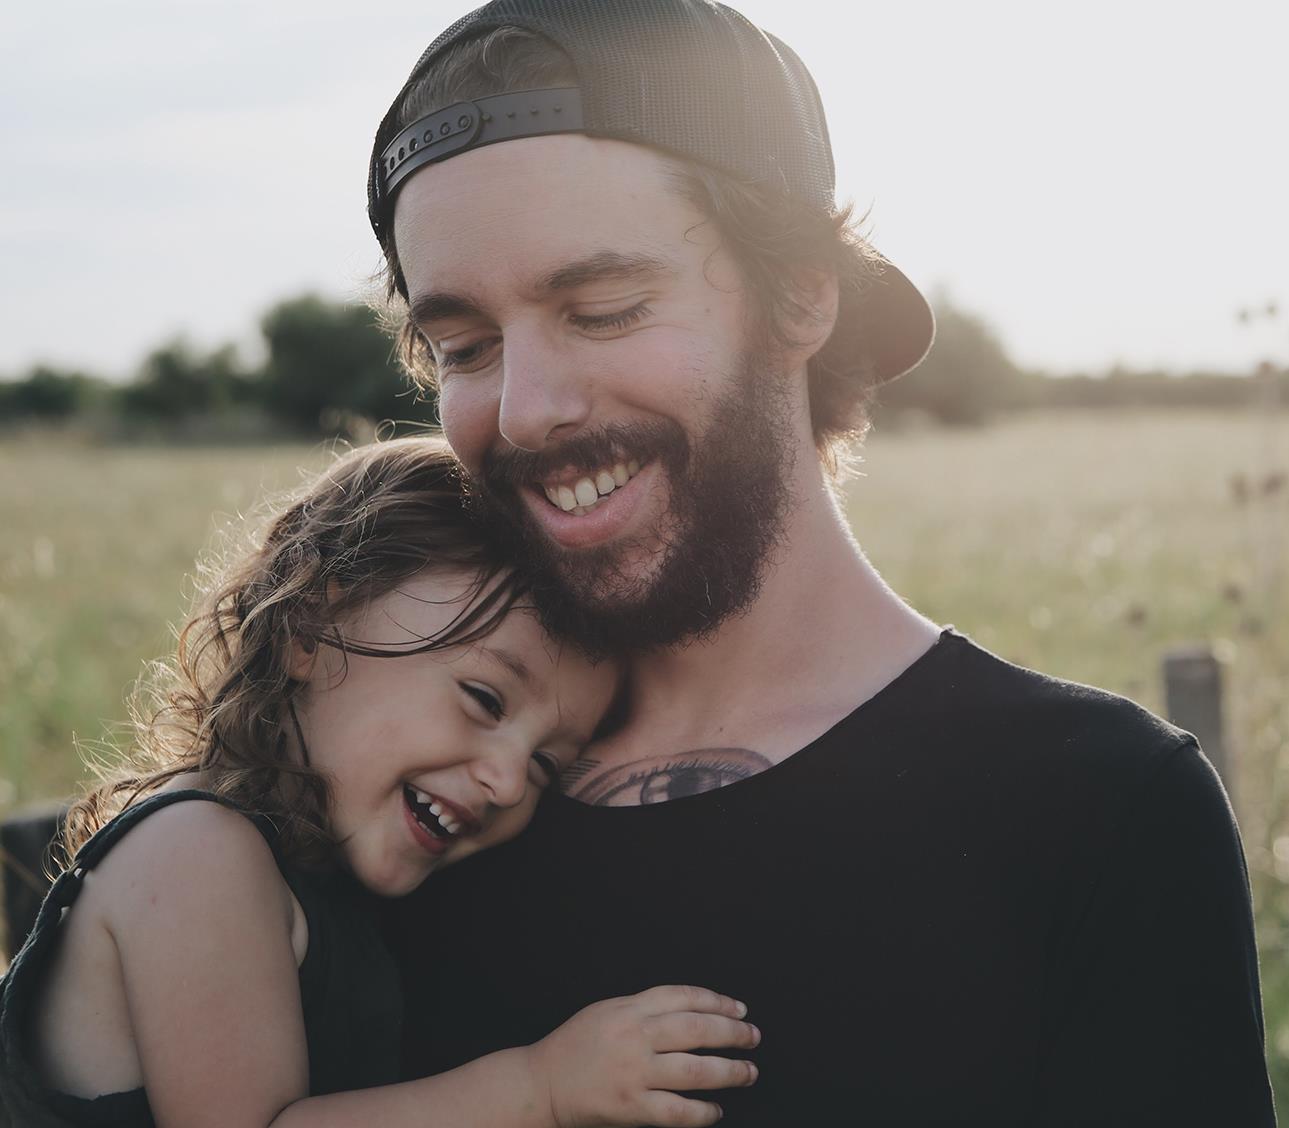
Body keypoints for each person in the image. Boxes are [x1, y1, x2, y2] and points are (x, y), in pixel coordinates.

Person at [370, 4, 1279, 1124]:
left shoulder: (1095, 809)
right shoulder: (409, 794)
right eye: (465, 347)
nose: (526, 410)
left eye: (602, 310)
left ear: (802, 294)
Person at [0, 437, 761, 1127]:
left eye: (543, 765)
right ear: (309, 628)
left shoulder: (315, 881)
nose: (504, 781)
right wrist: (541, 1089)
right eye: (485, 699)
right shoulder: (197, 852)